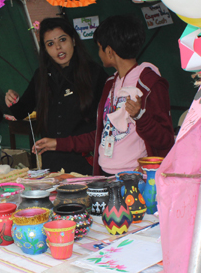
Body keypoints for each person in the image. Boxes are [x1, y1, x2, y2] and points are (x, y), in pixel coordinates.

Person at [34, 15, 174, 175]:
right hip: (106, 176)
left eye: (99, 48)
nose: (98, 54)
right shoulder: (110, 83)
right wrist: (57, 144)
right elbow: (102, 134)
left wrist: (140, 116)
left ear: (109, 51)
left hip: (136, 178)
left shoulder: (150, 83)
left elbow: (166, 139)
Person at [5, 17, 108, 174]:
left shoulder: (94, 73)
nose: (58, 47)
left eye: (63, 39)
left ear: (73, 40)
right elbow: (21, 112)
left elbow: (108, 121)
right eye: (50, 44)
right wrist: (13, 100)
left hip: (86, 161)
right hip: (52, 163)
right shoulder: (41, 76)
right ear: (45, 49)